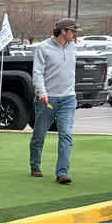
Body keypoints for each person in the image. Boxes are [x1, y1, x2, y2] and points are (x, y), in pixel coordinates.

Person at [29, 18, 79, 183]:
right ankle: (35, 165)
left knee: (66, 134)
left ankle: (62, 173)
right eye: (73, 31)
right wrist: (41, 92)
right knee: (39, 134)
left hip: (68, 99)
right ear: (63, 31)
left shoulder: (73, 47)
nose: (75, 34)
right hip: (47, 99)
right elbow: (37, 73)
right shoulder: (43, 48)